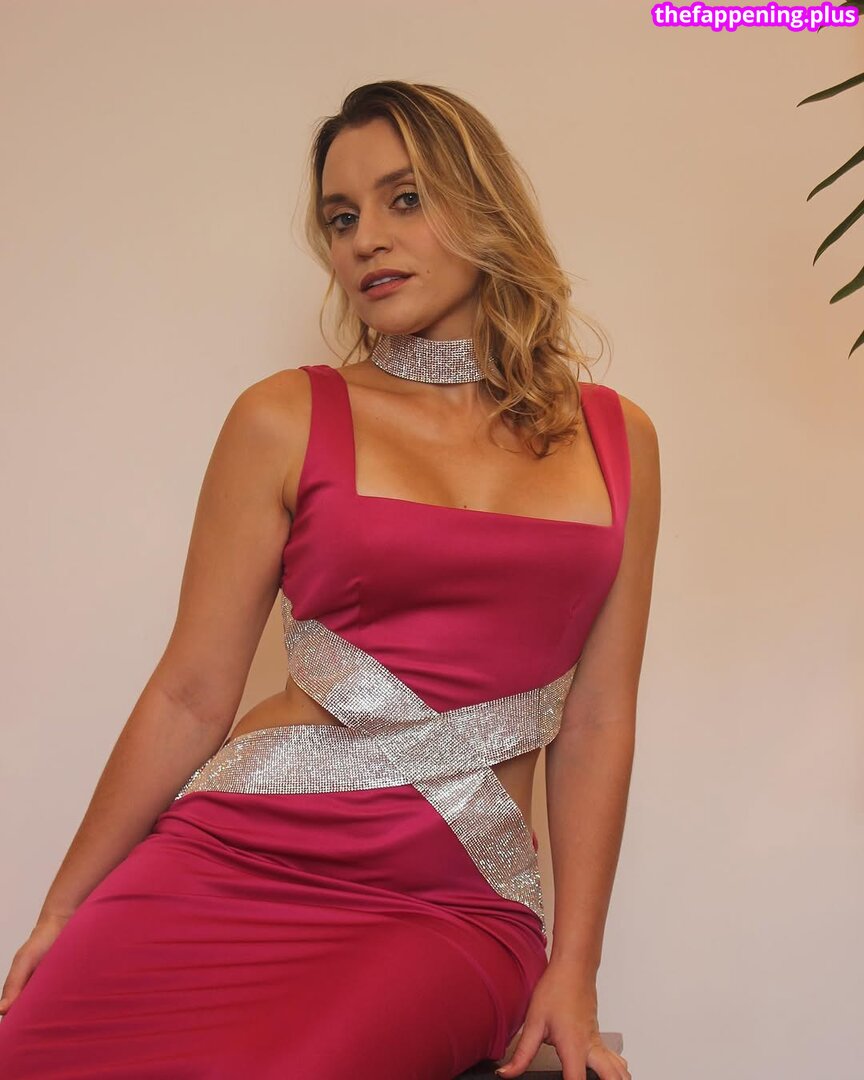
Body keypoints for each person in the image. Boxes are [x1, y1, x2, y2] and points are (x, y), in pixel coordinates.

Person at [0, 80, 658, 1080]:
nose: (365, 240)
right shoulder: (283, 416)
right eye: (341, 218)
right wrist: (63, 907)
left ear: (484, 206)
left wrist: (577, 970)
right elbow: (190, 693)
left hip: (448, 907)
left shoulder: (616, 439)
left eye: (405, 199)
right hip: (231, 854)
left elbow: (599, 718)